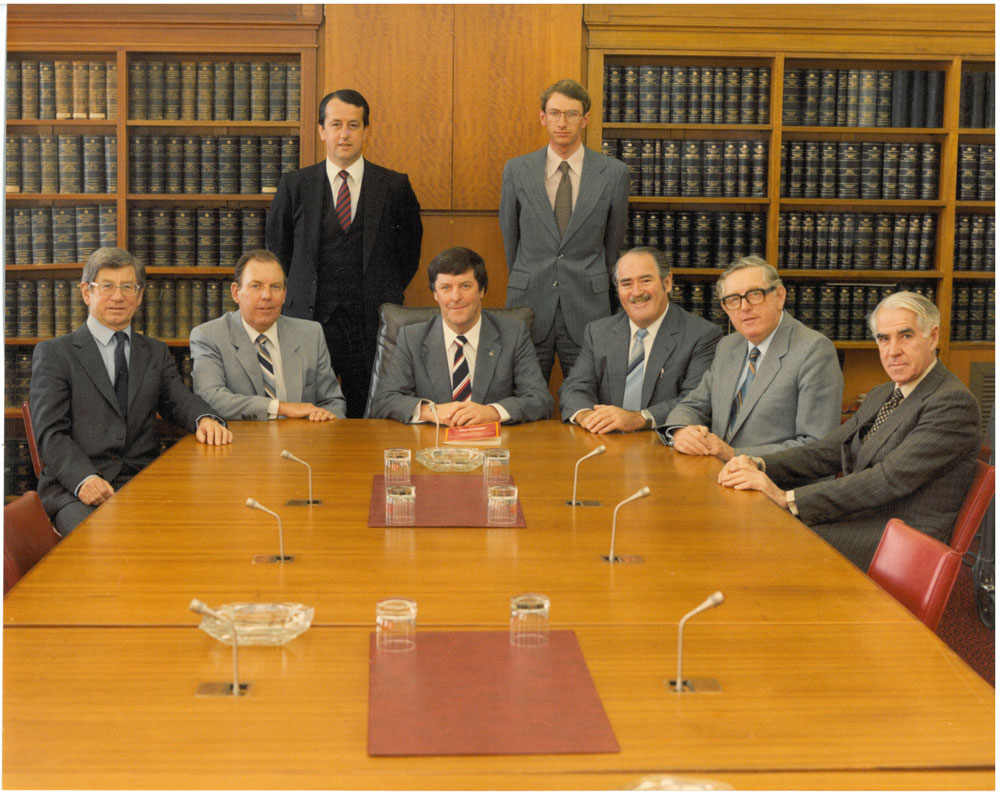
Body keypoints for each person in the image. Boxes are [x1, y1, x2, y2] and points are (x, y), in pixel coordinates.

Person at [718, 291, 981, 571]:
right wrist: (760, 464)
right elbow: (826, 451)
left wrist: (786, 498)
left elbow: (887, 479)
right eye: (883, 339)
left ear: (933, 337)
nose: (892, 351)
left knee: (770, 535)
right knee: (751, 521)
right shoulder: (883, 393)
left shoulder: (952, 402)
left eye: (906, 336)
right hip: (864, 516)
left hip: (904, 539)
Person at [29, 247, 231, 535]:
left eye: (127, 287)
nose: (118, 296)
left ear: (139, 296)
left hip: (143, 483)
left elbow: (179, 400)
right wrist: (84, 478)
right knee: (105, 544)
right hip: (76, 490)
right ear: (87, 292)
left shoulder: (155, 352)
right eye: (107, 286)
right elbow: (50, 435)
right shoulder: (55, 354)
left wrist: (205, 419)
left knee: (198, 531)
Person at [266, 88, 423, 418]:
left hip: (370, 324)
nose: (344, 134)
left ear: (366, 130)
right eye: (336, 124)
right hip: (307, 322)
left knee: (367, 415)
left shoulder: (394, 186)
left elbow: (408, 255)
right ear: (321, 130)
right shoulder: (295, 185)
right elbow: (278, 251)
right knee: (307, 413)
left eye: (353, 125)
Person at [499, 78, 630, 383]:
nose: (562, 122)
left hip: (587, 304)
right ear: (542, 117)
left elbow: (612, 244)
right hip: (530, 302)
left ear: (585, 119)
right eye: (555, 113)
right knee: (523, 400)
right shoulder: (516, 170)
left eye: (571, 114)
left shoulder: (613, 173)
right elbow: (510, 240)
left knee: (590, 401)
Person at [659, 255, 842, 460]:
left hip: (776, 484)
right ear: (726, 308)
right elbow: (692, 405)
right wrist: (681, 431)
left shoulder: (814, 350)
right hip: (718, 476)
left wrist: (733, 454)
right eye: (733, 300)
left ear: (779, 296)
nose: (744, 307)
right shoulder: (728, 346)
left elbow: (817, 446)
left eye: (754, 294)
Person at [368, 246, 553, 426]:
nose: (455, 297)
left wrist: (493, 412)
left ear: (482, 290)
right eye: (446, 288)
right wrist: (431, 411)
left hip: (493, 448)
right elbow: (384, 400)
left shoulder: (513, 334)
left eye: (465, 286)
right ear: (435, 294)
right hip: (432, 448)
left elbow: (540, 399)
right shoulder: (412, 338)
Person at [558, 246, 721, 433]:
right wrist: (587, 416)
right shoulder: (598, 332)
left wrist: (640, 418)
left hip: (664, 445)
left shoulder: (702, 335)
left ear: (667, 283)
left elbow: (696, 401)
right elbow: (574, 388)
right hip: (606, 443)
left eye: (645, 280)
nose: (636, 292)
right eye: (626, 283)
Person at [189, 250, 347, 421]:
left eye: (275, 287)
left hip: (302, 443)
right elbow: (211, 398)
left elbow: (333, 402)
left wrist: (325, 420)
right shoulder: (209, 336)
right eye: (256, 286)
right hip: (241, 443)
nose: (267, 296)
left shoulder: (310, 334)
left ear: (285, 294)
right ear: (235, 292)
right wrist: (282, 408)